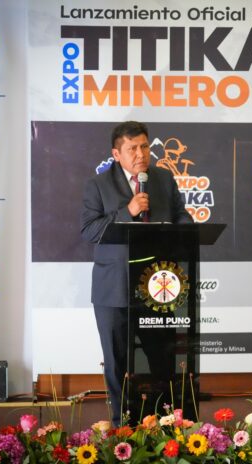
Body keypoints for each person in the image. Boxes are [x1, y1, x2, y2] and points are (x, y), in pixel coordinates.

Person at [80, 121, 192, 425]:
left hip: (157, 286)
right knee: (117, 363)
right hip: (113, 290)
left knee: (162, 359)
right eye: (132, 148)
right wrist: (126, 212)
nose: (141, 154)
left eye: (144, 146)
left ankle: (164, 423)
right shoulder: (98, 185)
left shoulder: (163, 178)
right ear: (117, 154)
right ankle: (122, 426)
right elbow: (89, 231)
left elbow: (181, 215)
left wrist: (186, 229)